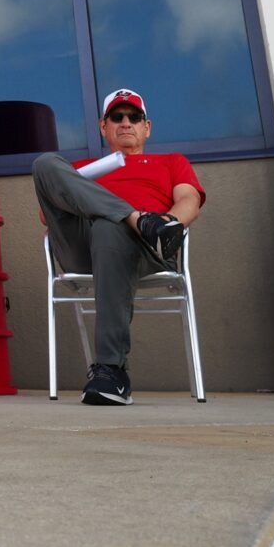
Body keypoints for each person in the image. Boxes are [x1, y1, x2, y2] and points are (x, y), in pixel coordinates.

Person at [32, 88, 204, 407]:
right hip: (82, 248)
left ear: (146, 127)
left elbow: (189, 200)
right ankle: (135, 218)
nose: (126, 122)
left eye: (134, 117)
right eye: (117, 117)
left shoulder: (170, 162)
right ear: (103, 126)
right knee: (45, 164)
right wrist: (135, 216)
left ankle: (112, 371)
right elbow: (48, 215)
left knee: (109, 226)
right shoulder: (83, 167)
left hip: (143, 249)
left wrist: (166, 223)